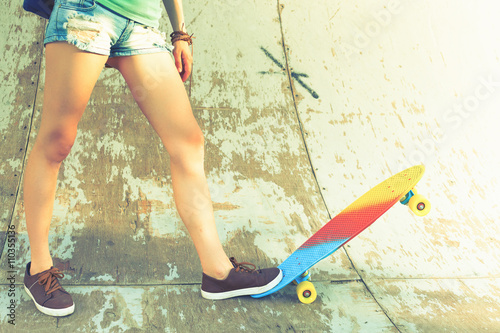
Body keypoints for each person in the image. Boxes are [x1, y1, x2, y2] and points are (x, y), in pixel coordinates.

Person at [23, 0, 282, 317]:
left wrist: (179, 33)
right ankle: (38, 268)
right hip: (87, 13)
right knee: (57, 140)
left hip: (141, 26)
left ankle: (218, 273)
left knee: (188, 142)